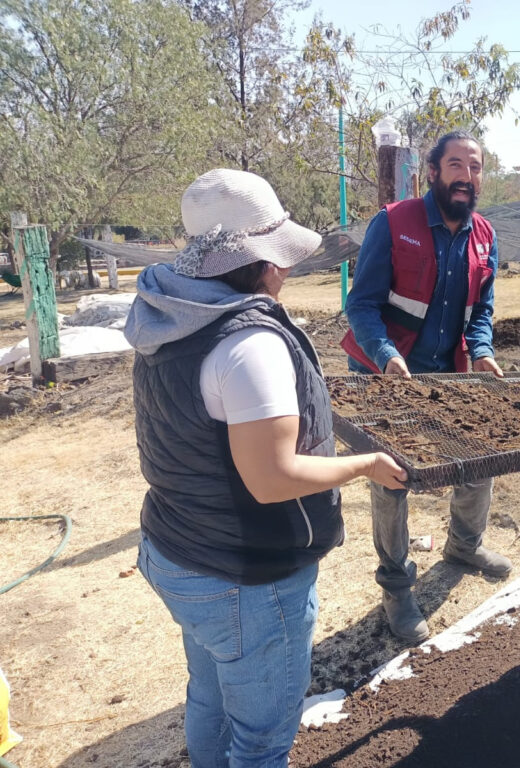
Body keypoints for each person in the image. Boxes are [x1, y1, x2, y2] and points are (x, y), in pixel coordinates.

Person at [124, 168, 407, 768]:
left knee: (209, 695)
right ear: (264, 261)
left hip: (178, 550)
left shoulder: (170, 316)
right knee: (259, 742)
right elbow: (271, 478)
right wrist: (363, 467)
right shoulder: (249, 344)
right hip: (245, 577)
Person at [341, 130, 511, 644]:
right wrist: (386, 355)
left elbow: (480, 311)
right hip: (386, 375)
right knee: (392, 480)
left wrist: (481, 351)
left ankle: (463, 545)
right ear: (432, 173)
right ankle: (396, 585)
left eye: (475, 167)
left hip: (449, 373)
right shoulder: (394, 223)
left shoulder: (485, 236)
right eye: (455, 164)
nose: (466, 175)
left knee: (479, 457)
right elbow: (362, 304)